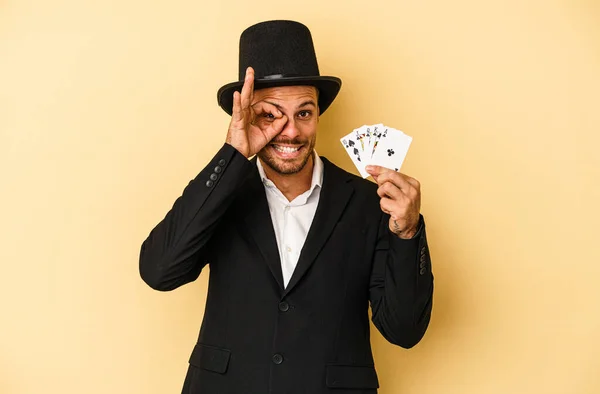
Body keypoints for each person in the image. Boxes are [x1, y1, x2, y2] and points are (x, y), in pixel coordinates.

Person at [139, 20, 433, 394]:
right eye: (270, 115)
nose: (291, 131)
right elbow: (158, 271)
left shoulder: (368, 203)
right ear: (247, 117)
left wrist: (407, 232)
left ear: (318, 116)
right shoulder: (223, 193)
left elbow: (404, 330)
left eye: (304, 113)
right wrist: (233, 155)